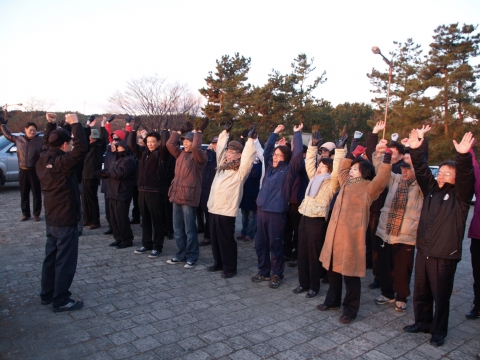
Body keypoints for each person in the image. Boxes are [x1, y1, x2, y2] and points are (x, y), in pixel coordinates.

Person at [403, 130, 475, 347]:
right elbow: (423, 171)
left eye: (446, 173)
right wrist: (415, 150)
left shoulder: (460, 196)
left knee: (440, 295)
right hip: (424, 249)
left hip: (444, 254)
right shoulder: (432, 190)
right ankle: (422, 322)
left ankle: (438, 330)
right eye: (440, 172)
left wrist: (463, 156)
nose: (441, 176)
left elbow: (465, 176)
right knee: (422, 291)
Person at [318, 142, 391, 324]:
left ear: (365, 172)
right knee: (333, 271)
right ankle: (332, 301)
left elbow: (382, 179)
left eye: (356, 169)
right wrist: (352, 154)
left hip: (351, 238)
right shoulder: (346, 182)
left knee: (350, 276)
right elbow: (342, 169)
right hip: (334, 235)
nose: (351, 171)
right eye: (353, 169)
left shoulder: (368, 188)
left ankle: (350, 310)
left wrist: (387, 159)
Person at [36, 113, 88, 312]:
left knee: (51, 256)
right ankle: (61, 299)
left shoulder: (43, 158)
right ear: (65, 145)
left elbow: (46, 143)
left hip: (52, 215)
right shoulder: (61, 163)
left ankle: (47, 293)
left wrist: (50, 125)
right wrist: (75, 124)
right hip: (65, 216)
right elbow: (81, 149)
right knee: (65, 259)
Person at [292, 130, 345, 298]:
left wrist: (340, 150)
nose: (319, 167)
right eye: (320, 165)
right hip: (305, 217)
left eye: (322, 166)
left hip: (317, 220)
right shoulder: (314, 177)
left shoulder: (332, 182)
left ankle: (314, 286)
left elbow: (337, 170)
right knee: (302, 251)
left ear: (328, 169)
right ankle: (303, 283)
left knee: (314, 254)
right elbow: (309, 163)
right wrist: (313, 146)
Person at [372, 140, 423, 312]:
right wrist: (379, 153)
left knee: (402, 268)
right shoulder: (394, 179)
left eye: (409, 167)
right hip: (386, 231)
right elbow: (382, 170)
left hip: (406, 235)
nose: (405, 170)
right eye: (404, 167)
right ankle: (387, 293)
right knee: (385, 265)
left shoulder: (421, 186)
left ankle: (401, 296)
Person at [251, 123, 304, 289]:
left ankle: (276, 274)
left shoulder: (288, 171)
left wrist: (297, 134)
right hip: (262, 211)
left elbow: (297, 156)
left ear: (285, 159)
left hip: (276, 213)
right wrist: (274, 133)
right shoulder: (269, 168)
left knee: (275, 244)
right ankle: (264, 271)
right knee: (260, 244)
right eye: (275, 155)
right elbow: (266, 151)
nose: (275, 158)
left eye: (279, 156)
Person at [206, 121, 257, 278]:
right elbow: (220, 148)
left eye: (232, 152)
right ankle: (218, 263)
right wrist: (225, 132)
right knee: (214, 238)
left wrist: (249, 140)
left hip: (226, 210)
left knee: (226, 240)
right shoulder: (222, 165)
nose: (228, 154)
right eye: (228, 151)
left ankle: (230, 268)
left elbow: (249, 157)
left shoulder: (241, 170)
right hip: (214, 207)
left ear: (239, 155)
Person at [129, 118, 175, 259]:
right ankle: (146, 244)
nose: (150, 144)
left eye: (153, 142)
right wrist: (133, 130)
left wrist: (165, 130)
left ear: (158, 142)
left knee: (157, 220)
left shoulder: (162, 154)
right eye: (148, 142)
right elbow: (131, 145)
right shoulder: (143, 153)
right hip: (142, 190)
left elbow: (166, 144)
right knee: (146, 220)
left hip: (156, 192)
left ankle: (157, 247)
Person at [166, 120, 208, 268]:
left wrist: (199, 133)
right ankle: (181, 254)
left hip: (188, 198)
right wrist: (178, 132)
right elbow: (169, 145)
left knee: (190, 230)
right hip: (176, 195)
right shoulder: (180, 155)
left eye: (188, 141)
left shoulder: (199, 157)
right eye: (184, 141)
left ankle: (192, 256)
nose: (186, 144)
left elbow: (197, 148)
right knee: (178, 230)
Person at [0, 108, 43, 221]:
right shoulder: (19, 139)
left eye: (34, 130)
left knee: (36, 193)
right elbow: (8, 135)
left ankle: (36, 214)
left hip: (34, 170)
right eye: (30, 130)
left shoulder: (39, 141)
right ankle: (25, 213)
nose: (32, 132)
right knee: (24, 193)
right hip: (23, 170)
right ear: (25, 130)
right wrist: (2, 126)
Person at [97, 138, 137, 249]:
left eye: (118, 146)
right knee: (113, 218)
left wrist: (107, 173)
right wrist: (102, 173)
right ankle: (118, 238)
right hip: (112, 191)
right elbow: (110, 171)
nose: (116, 148)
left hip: (122, 193)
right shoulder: (115, 159)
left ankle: (127, 239)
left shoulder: (129, 160)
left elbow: (120, 174)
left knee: (121, 218)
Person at [81, 116, 107, 230]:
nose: (91, 139)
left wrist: (103, 125)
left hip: (92, 176)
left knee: (91, 199)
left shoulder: (99, 146)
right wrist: (87, 125)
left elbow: (104, 138)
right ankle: (86, 219)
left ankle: (95, 221)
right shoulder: (85, 147)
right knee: (84, 199)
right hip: (83, 175)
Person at [466, 144, 480, 320]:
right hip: (478, 235)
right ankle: (478, 306)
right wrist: (468, 151)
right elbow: (473, 167)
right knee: (478, 274)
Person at [198, 136, 219, 246]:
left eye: (218, 143)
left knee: (216, 217)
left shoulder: (224, 157)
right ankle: (207, 236)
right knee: (208, 215)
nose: (216, 145)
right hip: (206, 189)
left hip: (218, 192)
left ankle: (215, 235)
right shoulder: (208, 155)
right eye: (214, 143)